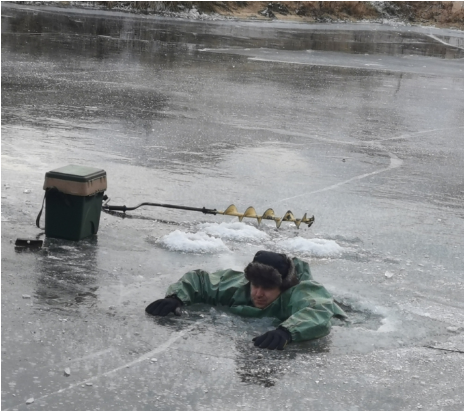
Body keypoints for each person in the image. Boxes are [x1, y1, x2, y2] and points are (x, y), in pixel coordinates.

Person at [146, 251, 347, 350]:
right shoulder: (239, 285)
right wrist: (176, 298)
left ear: (283, 287)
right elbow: (201, 280)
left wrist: (287, 331)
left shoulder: (301, 293)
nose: (258, 293)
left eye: (267, 288)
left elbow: (319, 312)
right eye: (255, 285)